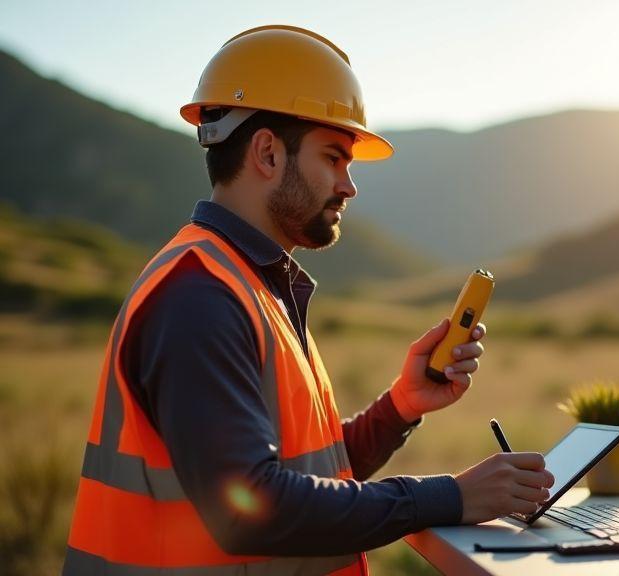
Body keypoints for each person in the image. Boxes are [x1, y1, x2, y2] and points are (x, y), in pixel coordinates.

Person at [64, 25, 554, 575]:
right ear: (268, 153)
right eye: (333, 157)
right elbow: (251, 508)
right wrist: (448, 497)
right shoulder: (198, 298)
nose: (349, 186)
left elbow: (308, 471)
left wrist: (400, 407)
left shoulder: (247, 283)